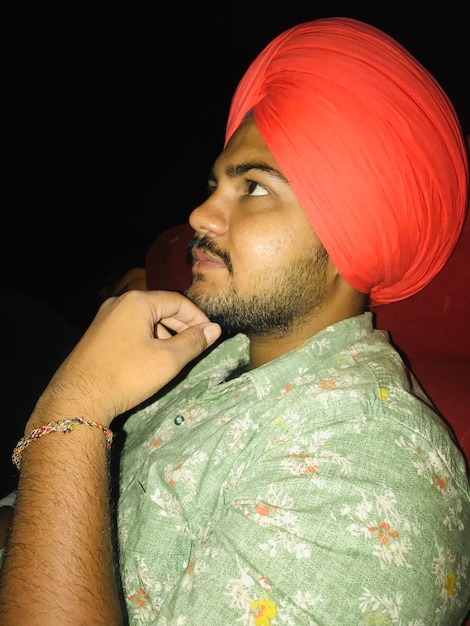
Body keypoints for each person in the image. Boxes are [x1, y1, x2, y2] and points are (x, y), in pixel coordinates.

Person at [0, 16, 469, 625]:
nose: (199, 213)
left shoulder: (371, 475)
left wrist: (72, 410)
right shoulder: (220, 356)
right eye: (216, 184)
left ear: (350, 234)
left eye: (253, 188)